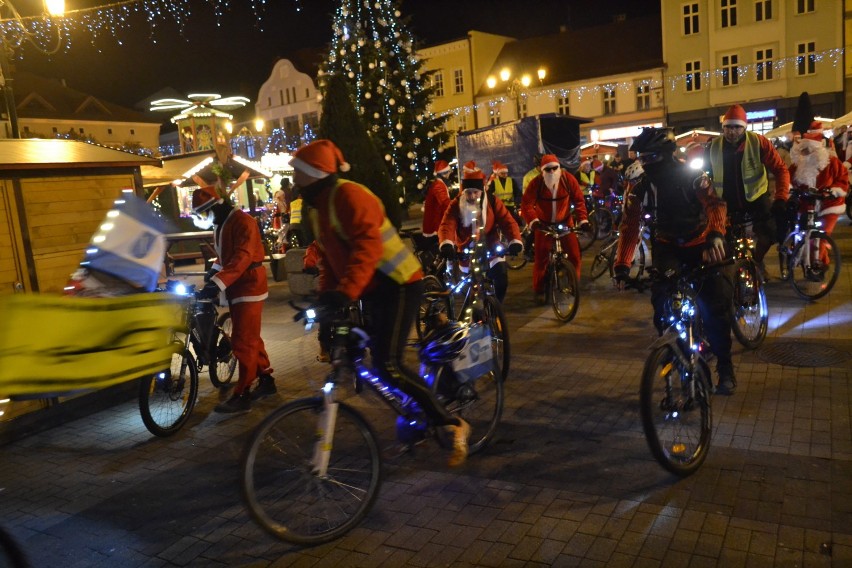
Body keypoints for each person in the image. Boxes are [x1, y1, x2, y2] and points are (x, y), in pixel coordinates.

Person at [290, 139, 470, 467]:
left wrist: (345, 292)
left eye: (297, 175)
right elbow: (331, 262)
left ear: (314, 175)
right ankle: (413, 415)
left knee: (388, 363)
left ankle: (450, 421)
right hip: (372, 288)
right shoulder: (321, 208)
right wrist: (325, 298)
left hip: (399, 281)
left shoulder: (350, 195)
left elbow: (367, 249)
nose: (294, 183)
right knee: (360, 352)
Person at [613, 127, 736, 395]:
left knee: (716, 308)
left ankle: (725, 368)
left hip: (701, 244)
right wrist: (622, 265)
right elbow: (630, 225)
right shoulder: (640, 185)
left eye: (650, 158)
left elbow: (716, 206)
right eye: (641, 158)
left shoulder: (692, 176)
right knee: (662, 305)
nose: (644, 163)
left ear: (667, 155)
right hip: (667, 246)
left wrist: (715, 235)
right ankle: (674, 353)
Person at [193, 185, 277, 413]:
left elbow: (242, 257)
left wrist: (217, 283)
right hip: (238, 286)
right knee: (250, 337)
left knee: (243, 342)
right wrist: (213, 274)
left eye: (204, 213)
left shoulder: (243, 222)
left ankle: (243, 392)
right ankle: (267, 381)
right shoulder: (222, 223)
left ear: (216, 206)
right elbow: (224, 257)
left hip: (249, 286)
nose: (204, 218)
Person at [706, 104, 790, 272]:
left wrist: (781, 198)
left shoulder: (759, 143)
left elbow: (780, 170)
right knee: (722, 242)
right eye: (728, 127)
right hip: (726, 202)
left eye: (737, 127)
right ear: (723, 128)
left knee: (768, 234)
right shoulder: (712, 146)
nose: (732, 131)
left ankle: (757, 262)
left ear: (744, 127)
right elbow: (704, 175)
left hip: (756, 199)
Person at [438, 162, 523, 302]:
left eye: (475, 192)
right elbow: (447, 224)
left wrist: (515, 240)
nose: (472, 196)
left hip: (490, 247)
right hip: (466, 251)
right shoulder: (456, 204)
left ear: (482, 190)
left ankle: (495, 309)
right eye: (468, 192)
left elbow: (507, 221)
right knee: (469, 293)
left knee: (501, 280)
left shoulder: (492, 201)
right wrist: (446, 243)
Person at [520, 154, 589, 304]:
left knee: (575, 256)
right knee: (541, 258)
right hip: (543, 224)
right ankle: (539, 289)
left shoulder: (568, 179)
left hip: (564, 222)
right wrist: (534, 221)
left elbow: (579, 200)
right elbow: (526, 205)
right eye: (548, 169)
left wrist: (583, 220)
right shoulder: (536, 183)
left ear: (559, 167)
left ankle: (573, 283)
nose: (551, 172)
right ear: (542, 171)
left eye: (554, 168)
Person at [787, 121, 849, 275]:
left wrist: (833, 190)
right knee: (804, 234)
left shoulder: (832, 163)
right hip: (806, 205)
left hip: (829, 205)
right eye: (803, 150)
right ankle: (806, 260)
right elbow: (786, 180)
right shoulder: (797, 166)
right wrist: (789, 190)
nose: (804, 154)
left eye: (808, 150)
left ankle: (819, 263)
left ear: (816, 150)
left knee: (820, 237)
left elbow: (843, 180)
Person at [421, 159, 453, 255]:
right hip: (435, 223)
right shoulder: (438, 185)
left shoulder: (439, 184)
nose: (450, 175)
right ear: (445, 173)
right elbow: (444, 202)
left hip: (436, 221)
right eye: (449, 172)